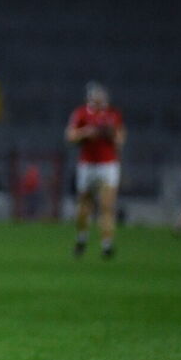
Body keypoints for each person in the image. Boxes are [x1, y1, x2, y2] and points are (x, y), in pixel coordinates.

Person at [66, 82, 125, 258]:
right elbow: (70, 136)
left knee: (107, 206)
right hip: (87, 165)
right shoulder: (81, 113)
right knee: (84, 206)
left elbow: (121, 139)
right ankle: (82, 238)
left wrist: (110, 134)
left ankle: (106, 245)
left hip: (108, 165)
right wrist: (86, 133)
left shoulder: (113, 115)